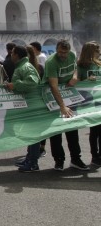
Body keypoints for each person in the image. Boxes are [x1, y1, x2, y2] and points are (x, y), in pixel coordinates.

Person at [43, 39, 89, 171]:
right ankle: (59, 161)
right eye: (60, 52)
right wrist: (62, 106)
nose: (62, 55)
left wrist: (75, 77)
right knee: (56, 131)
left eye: (65, 52)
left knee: (72, 129)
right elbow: (53, 86)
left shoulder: (72, 55)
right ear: (56, 50)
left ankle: (76, 159)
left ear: (69, 51)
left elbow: (75, 69)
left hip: (69, 94)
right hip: (53, 96)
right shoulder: (51, 62)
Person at [5, 46, 41, 172]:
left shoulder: (25, 67)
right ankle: (29, 158)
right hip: (27, 105)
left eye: (12, 53)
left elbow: (33, 83)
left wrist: (15, 85)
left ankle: (33, 163)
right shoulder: (22, 66)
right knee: (31, 134)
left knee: (34, 135)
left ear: (17, 55)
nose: (10, 55)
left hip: (32, 106)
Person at [77, 41, 101, 166]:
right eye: (97, 50)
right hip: (89, 101)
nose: (99, 53)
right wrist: (86, 80)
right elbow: (77, 82)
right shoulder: (80, 66)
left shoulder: (99, 64)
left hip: (100, 100)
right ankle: (94, 155)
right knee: (94, 130)